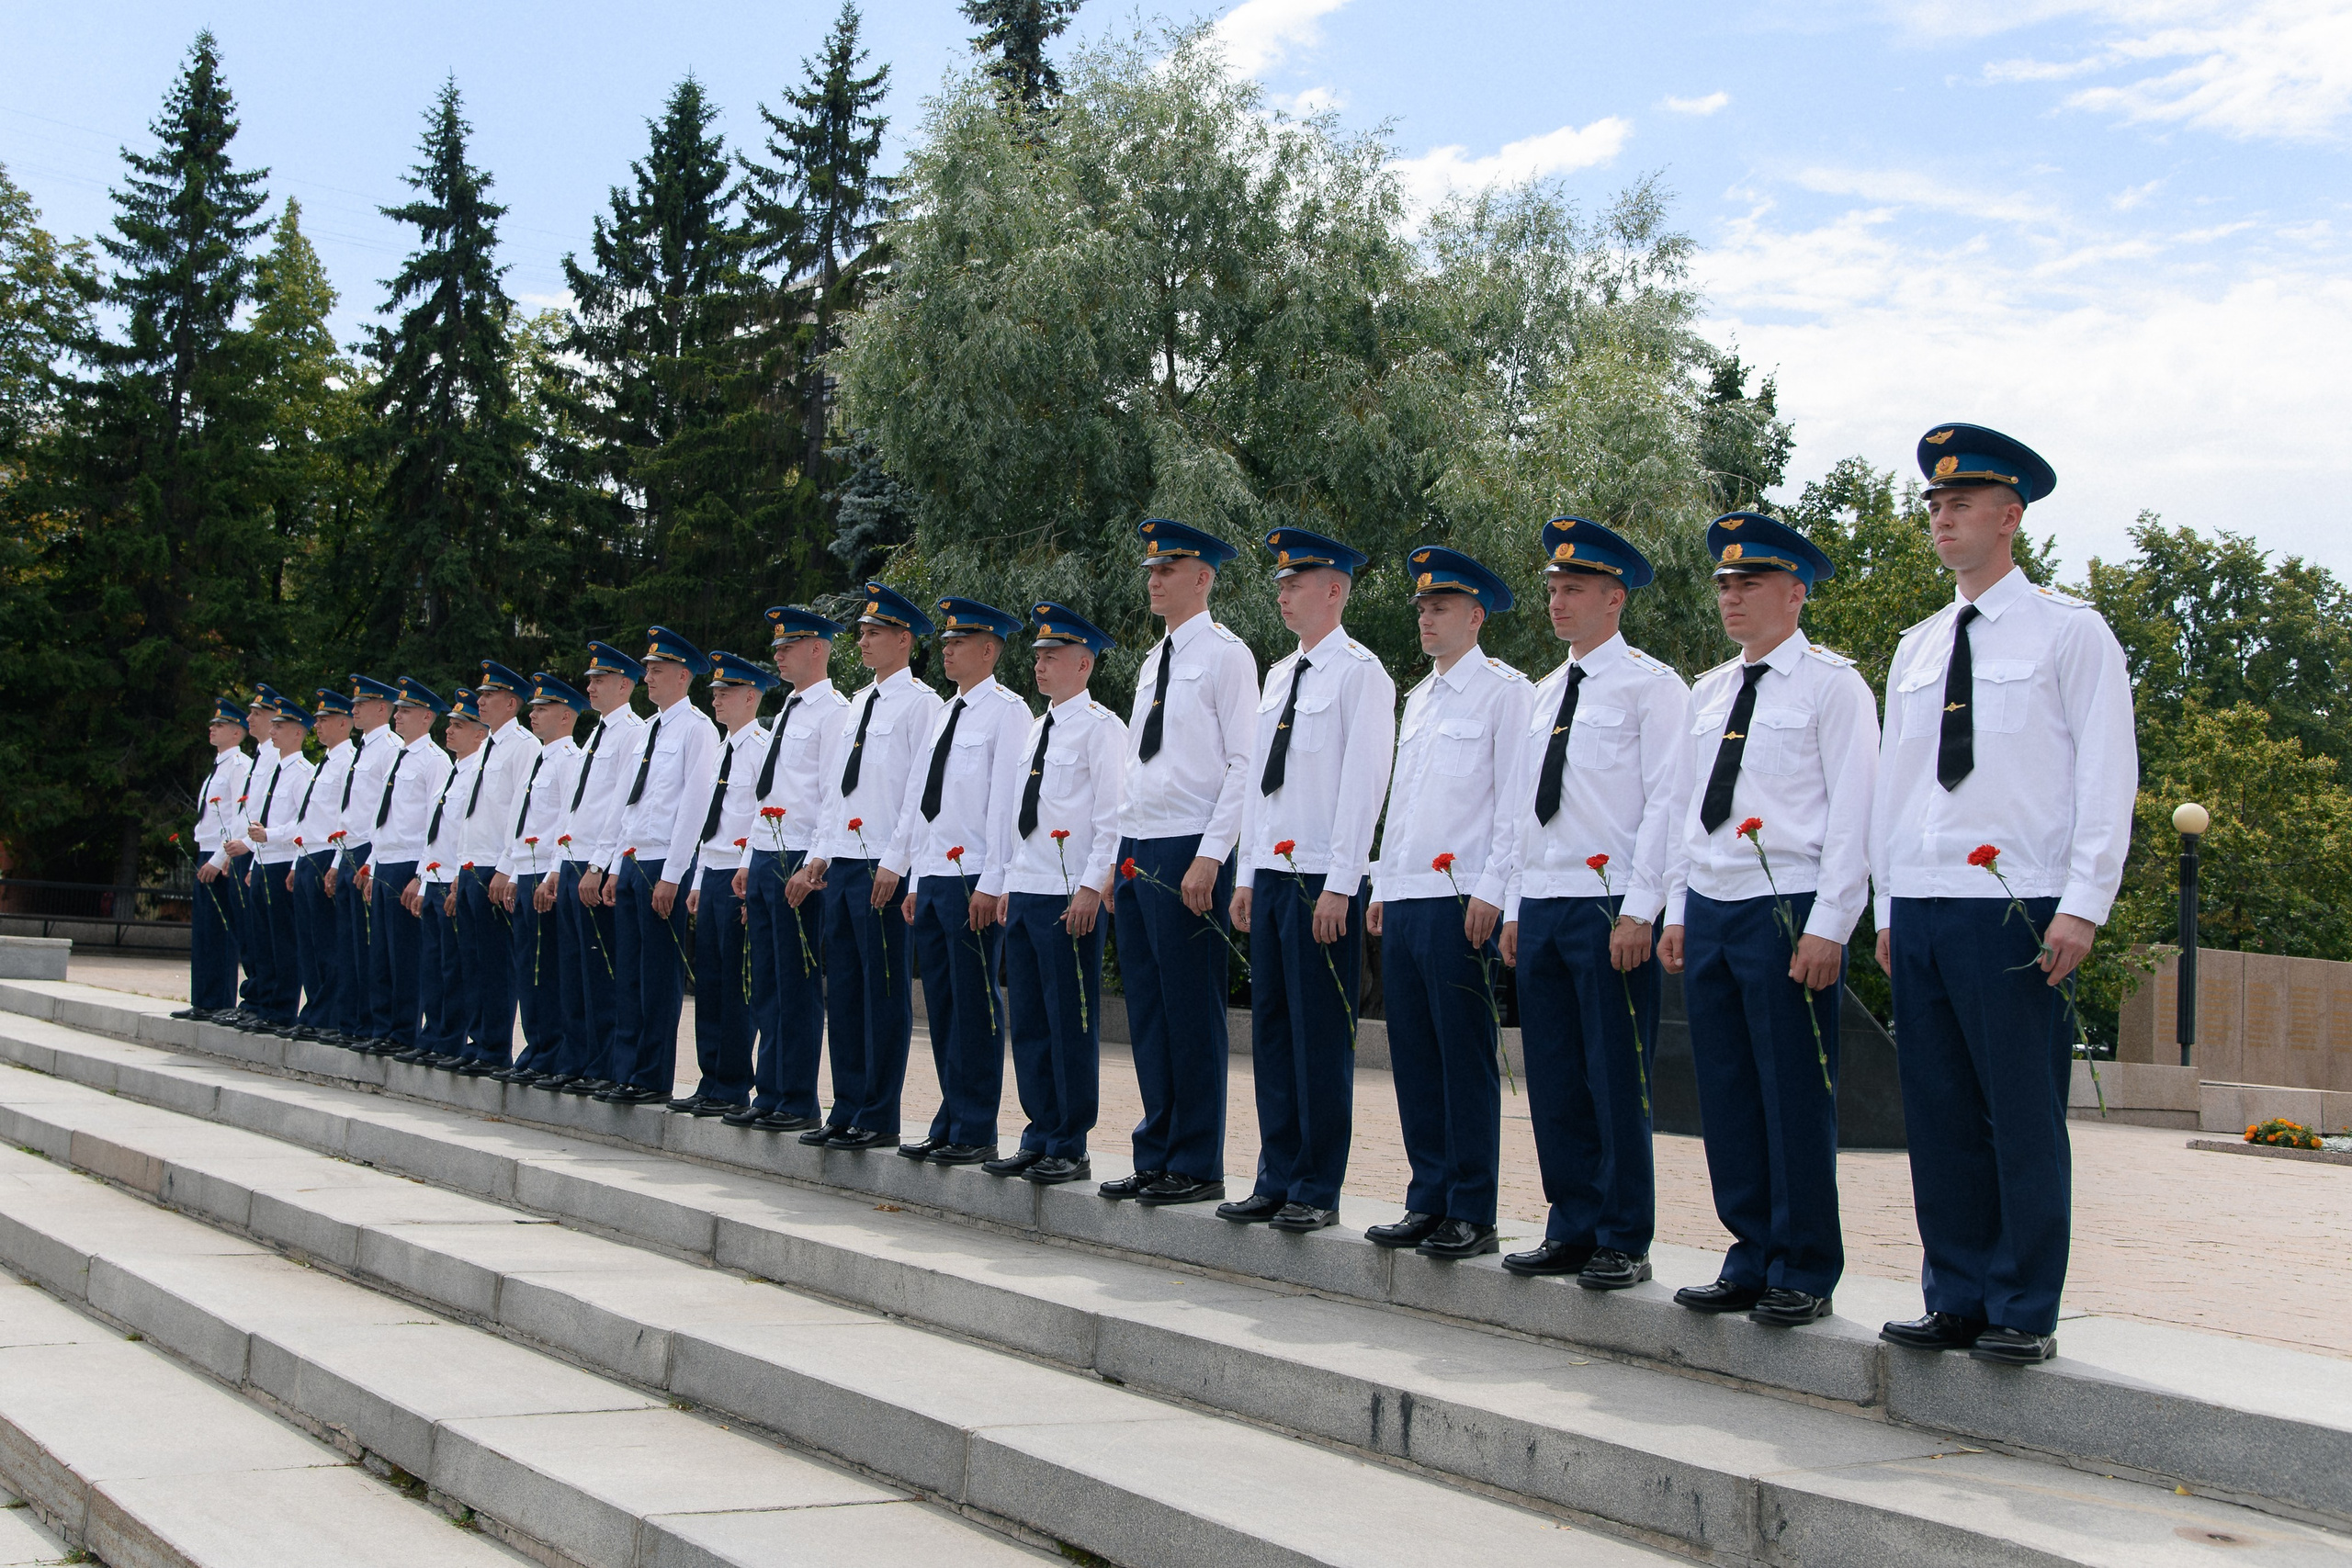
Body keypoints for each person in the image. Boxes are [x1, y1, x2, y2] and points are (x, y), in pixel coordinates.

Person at [1872, 425, 2135, 1367]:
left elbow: (2107, 775)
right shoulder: (1916, 645)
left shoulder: (2069, 632)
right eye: (1934, 506)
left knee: (2018, 1111)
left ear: (2009, 516)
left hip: (2015, 901)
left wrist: (2083, 902)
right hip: (1927, 898)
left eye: (1960, 504)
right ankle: (1955, 1295)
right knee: (1937, 1111)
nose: (1942, 518)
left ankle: (2021, 1303)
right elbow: (1894, 783)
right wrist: (1887, 906)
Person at [1658, 513, 1878, 1327]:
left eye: (1748, 584)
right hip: (1714, 904)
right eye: (1723, 584)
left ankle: (1805, 1264)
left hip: (1787, 906)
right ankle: (1749, 1252)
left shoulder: (1832, 685)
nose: (1732, 597)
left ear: (1796, 592)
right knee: (1726, 1092)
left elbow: (1856, 811)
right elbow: (1687, 808)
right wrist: (1679, 906)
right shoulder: (1710, 691)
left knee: (1791, 1089)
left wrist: (1833, 921)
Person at [1496, 519, 1690, 1287]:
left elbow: (1666, 804)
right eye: (1552, 588)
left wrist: (1643, 908)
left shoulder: (1652, 686)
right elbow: (1521, 809)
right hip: (1544, 900)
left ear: (1615, 597)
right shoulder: (1545, 694)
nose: (1557, 601)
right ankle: (1570, 1221)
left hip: (1610, 904)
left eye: (1573, 589)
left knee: (1615, 1074)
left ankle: (1622, 1233)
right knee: (1553, 1076)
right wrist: (1513, 903)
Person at [1221, 528, 1396, 1234]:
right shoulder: (1276, 676)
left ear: (1335, 589)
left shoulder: (1362, 673)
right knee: (1272, 1030)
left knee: (1320, 1033)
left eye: (1297, 582)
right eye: (1281, 583)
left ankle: (1316, 1185)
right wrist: (1245, 869)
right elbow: (1261, 791)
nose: (1284, 593)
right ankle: (1276, 1172)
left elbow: (1363, 786)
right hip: (1270, 877)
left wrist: (1342, 881)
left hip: (1322, 876)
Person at [1363, 547, 1532, 1260]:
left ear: (1475, 615)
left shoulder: (1504, 691)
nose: (1427, 619)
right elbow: (1405, 803)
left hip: (1460, 899)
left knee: (1462, 1056)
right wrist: (1382, 881)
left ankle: (1471, 1206)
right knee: (1414, 1054)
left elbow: (1514, 802)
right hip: (1407, 894)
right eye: (1423, 609)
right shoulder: (1420, 697)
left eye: (1440, 609)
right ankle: (1427, 1195)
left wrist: (1495, 889)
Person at [1104, 519, 1259, 1207]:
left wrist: (1210, 854)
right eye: (1151, 570)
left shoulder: (1227, 656)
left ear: (1204, 577)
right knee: (1148, 1007)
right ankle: (1157, 1148)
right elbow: (1137, 769)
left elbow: (1242, 764)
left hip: (1190, 845)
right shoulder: (1151, 660)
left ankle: (1197, 1160)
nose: (1155, 579)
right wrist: (1116, 856)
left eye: (1169, 568)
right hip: (1142, 846)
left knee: (1191, 1008)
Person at [791, 583, 944, 1149]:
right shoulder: (857, 704)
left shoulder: (922, 704)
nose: (862, 640)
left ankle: (878, 1114)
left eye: (874, 633)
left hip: (884, 865)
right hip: (844, 866)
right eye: (861, 632)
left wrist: (898, 861)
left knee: (882, 992)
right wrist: (817, 859)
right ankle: (847, 1105)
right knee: (847, 991)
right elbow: (837, 792)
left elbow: (916, 795)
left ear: (904, 640)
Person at [884, 597, 1030, 1164]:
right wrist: (917, 877)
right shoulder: (945, 713)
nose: (945, 650)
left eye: (958, 642)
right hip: (939, 874)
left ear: (989, 650)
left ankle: (976, 1124)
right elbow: (925, 806)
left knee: (974, 1002)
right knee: (942, 1004)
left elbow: (1003, 806)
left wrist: (994, 880)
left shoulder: (1007, 711)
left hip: (975, 876)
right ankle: (950, 1114)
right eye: (944, 643)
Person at [983, 604, 1125, 1185]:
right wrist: (1005, 884)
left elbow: (1113, 816)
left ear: (1084, 663)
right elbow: (1019, 817)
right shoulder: (1036, 730)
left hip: (1070, 895)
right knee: (1034, 1024)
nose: (1040, 665)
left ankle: (1070, 1142)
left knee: (1071, 1020)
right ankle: (1038, 1132)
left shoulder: (1101, 728)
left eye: (1053, 656)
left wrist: (1093, 884)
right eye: (1038, 656)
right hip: (1027, 889)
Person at [727, 607, 847, 1132]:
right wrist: (749, 858)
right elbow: (770, 792)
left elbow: (832, 796)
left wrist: (812, 864)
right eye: (776, 647)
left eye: (787, 646)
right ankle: (770, 1090)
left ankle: (797, 1097)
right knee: (768, 983)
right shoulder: (789, 710)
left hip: (799, 860)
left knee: (797, 986)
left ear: (816, 649)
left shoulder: (833, 712)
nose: (776, 654)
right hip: (767, 857)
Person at [601, 627, 719, 1106]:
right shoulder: (646, 730)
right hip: (632, 860)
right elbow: (624, 805)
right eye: (647, 669)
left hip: (662, 864)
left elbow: (694, 807)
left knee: (658, 976)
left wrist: (673, 874)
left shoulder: (697, 730)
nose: (647, 677)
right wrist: (611, 865)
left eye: (657, 670)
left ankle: (651, 1075)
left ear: (683, 675)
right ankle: (625, 1069)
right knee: (627, 974)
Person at [671, 649, 779, 1116]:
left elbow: (761, 816)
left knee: (736, 984)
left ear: (751, 696)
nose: (716, 699)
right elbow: (704, 823)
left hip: (738, 873)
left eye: (726, 692)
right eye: (713, 692)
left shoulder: (759, 747)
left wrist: (751, 874)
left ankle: (733, 1083)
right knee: (710, 982)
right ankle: (710, 1077)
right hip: (711, 870)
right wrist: (695, 879)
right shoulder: (719, 749)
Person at [551, 642, 646, 1096]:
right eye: (589, 680)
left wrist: (600, 865)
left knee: (603, 970)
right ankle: (579, 1056)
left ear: (625, 685)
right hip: (574, 862)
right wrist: (558, 865)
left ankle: (605, 1062)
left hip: (597, 864)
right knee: (575, 971)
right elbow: (575, 809)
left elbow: (620, 808)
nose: (590, 686)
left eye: (599, 679)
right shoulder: (595, 735)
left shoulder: (632, 732)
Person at [493, 672, 588, 1084]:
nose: (534, 714)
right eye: (533, 708)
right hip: (528, 872)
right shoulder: (540, 759)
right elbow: (523, 822)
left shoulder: (570, 759)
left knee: (549, 969)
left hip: (549, 872)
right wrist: (513, 870)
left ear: (566, 715)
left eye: (543, 708)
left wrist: (552, 873)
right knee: (527, 966)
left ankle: (554, 1051)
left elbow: (567, 824)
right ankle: (535, 1049)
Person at [455, 660, 540, 1072]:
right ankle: (477, 1041)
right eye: (480, 695)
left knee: (496, 963)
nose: (480, 701)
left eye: (488, 696)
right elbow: (471, 816)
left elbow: (522, 812)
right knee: (471, 961)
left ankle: (495, 1048)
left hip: (496, 866)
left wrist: (506, 865)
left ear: (511, 702)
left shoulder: (524, 745)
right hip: (472, 863)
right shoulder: (485, 745)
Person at [362, 678, 452, 1057]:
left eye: (405, 711)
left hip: (408, 865)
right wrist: (369, 863)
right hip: (384, 860)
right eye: (397, 710)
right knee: (381, 952)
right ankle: (383, 1027)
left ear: (426, 717)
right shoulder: (397, 757)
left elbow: (434, 822)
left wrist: (419, 874)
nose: (397, 716)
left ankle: (404, 1031)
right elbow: (382, 818)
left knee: (405, 954)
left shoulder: (435, 760)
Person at [401, 690, 481, 1066]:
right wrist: (420, 878)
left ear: (480, 734)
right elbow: (433, 834)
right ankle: (432, 1034)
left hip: (453, 878)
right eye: (449, 724)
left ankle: (450, 1038)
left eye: (459, 726)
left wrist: (454, 882)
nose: (449, 731)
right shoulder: (453, 772)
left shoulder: (476, 773)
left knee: (454, 967)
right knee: (432, 965)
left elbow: (467, 835)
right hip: (434, 878)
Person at [175, 696, 254, 1022]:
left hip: (222, 856)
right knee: (205, 929)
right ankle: (203, 999)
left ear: (237, 733)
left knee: (221, 929)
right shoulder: (217, 767)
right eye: (213, 724)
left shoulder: (240, 766)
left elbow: (239, 816)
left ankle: (220, 999)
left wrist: (221, 856)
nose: (212, 729)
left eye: (220, 725)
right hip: (205, 851)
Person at [332, 676, 401, 1047]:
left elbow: (386, 812)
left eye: (362, 704)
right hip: (348, 850)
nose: (354, 709)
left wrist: (370, 862)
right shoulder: (362, 748)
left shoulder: (390, 747)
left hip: (370, 851)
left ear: (382, 709)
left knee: (374, 947)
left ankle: (377, 1024)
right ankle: (353, 1021)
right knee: (351, 944)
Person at [242, 695, 316, 1033]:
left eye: (280, 726)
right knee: (263, 939)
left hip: (283, 859)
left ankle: (282, 1009)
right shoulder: (276, 770)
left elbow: (305, 824)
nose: (273, 731)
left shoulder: (302, 773)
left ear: (298, 733)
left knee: (284, 941)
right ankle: (265, 1005)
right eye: (272, 725)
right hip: (263, 861)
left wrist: (270, 835)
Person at [286, 686, 355, 1043]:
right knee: (310, 943)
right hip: (310, 854)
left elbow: (343, 818)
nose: (317, 725)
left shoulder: (348, 761)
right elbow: (308, 818)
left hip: (330, 855)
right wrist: (298, 862)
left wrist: (336, 861)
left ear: (344, 723)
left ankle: (329, 1014)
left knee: (329, 943)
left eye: (325, 719)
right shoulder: (324, 762)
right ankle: (315, 1010)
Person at [210, 688, 282, 1030]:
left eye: (257, 713)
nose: (250, 718)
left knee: (262, 937)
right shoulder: (261, 756)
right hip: (246, 852)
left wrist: (247, 847)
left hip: (257, 851)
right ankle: (253, 999)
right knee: (249, 934)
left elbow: (266, 814)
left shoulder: (275, 756)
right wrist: (234, 848)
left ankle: (262, 1002)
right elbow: (246, 810)